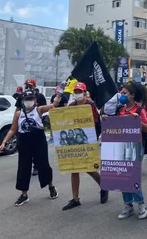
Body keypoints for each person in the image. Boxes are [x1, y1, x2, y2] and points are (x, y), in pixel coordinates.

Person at [0, 89, 60, 206]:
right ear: (22, 101)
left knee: (43, 165)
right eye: (26, 99)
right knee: (23, 167)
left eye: (31, 99)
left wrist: (59, 92)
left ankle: (51, 186)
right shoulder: (18, 114)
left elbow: (54, 104)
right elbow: (12, 129)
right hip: (24, 142)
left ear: (35, 100)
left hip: (38, 141)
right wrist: (4, 142)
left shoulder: (39, 110)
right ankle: (24, 194)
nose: (28, 101)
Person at [62, 82, 108, 211]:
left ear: (85, 92)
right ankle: (75, 199)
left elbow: (95, 124)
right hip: (74, 141)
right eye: (75, 92)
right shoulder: (71, 106)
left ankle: (103, 184)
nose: (77, 94)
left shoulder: (90, 105)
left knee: (88, 168)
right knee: (74, 169)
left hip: (87, 141)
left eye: (79, 91)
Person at [114, 81, 147, 219]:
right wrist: (106, 120)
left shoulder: (139, 110)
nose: (121, 95)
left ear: (132, 95)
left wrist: (137, 121)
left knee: (132, 175)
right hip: (121, 146)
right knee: (123, 175)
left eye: (124, 93)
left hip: (135, 146)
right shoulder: (120, 110)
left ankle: (140, 203)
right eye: (121, 93)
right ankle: (128, 205)